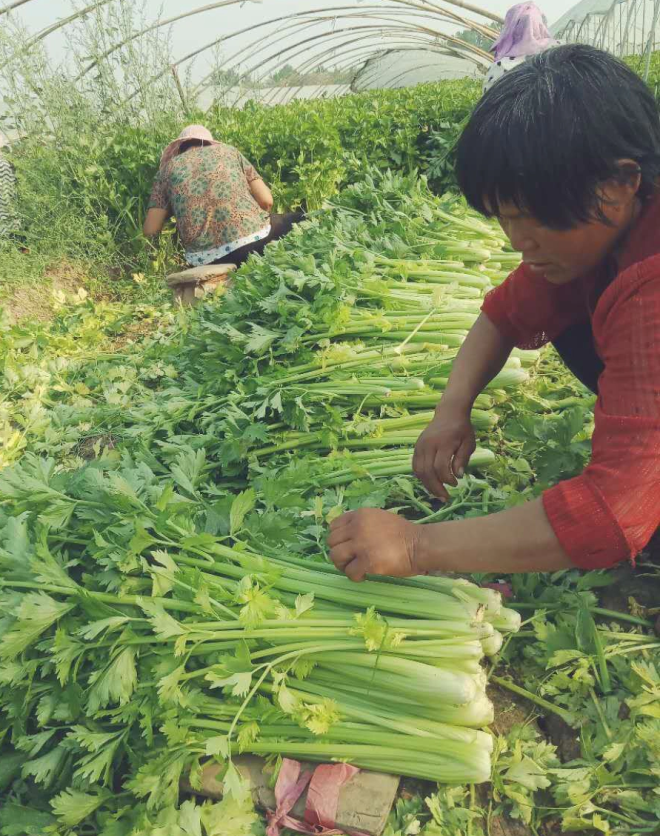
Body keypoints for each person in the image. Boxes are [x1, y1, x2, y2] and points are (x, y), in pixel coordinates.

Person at [328, 45, 660, 582]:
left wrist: (416, 546)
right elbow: (506, 313)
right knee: (566, 309)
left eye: (529, 217)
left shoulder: (653, 289)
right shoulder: (606, 233)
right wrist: (451, 409)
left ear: (620, 184)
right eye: (504, 218)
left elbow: (613, 513)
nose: (518, 243)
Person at [143, 124, 305, 266]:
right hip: (255, 241)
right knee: (301, 219)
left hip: (204, 259)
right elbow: (267, 201)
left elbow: (150, 230)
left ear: (181, 149)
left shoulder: (166, 171)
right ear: (209, 143)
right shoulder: (229, 152)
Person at [482, 1, 559, 95]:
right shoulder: (557, 60)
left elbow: (487, 104)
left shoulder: (500, 67)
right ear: (540, 26)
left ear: (510, 28)